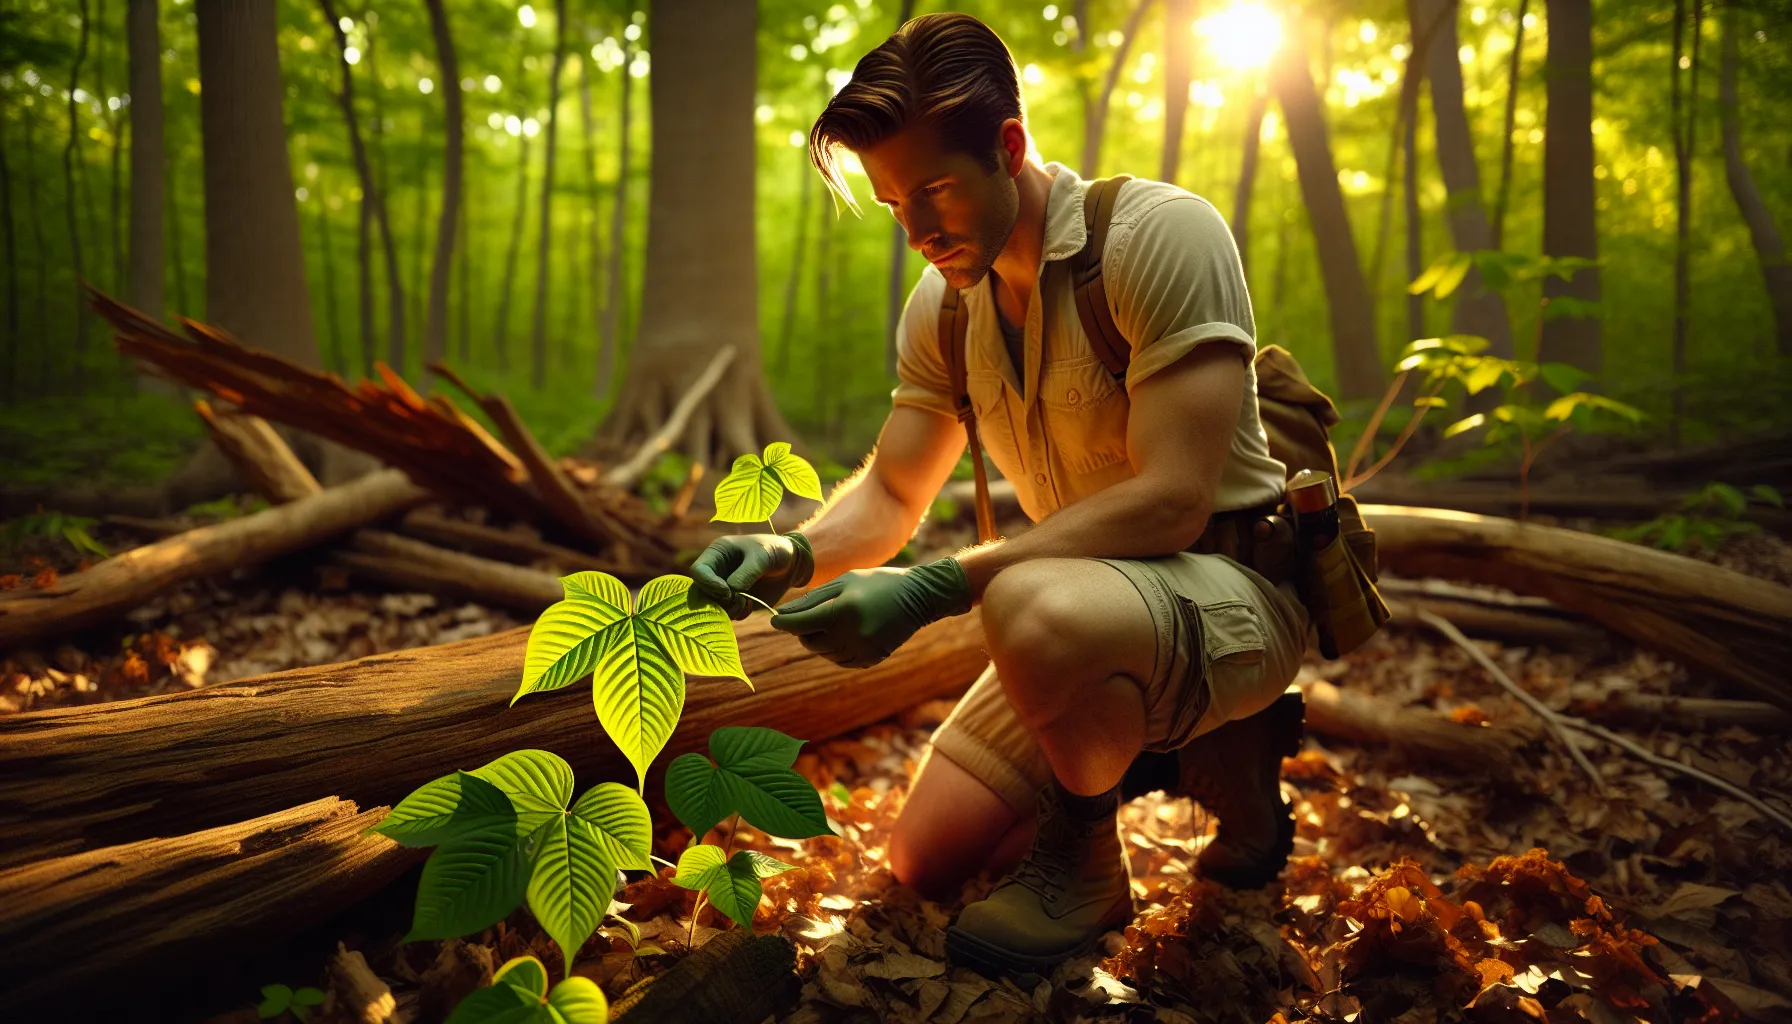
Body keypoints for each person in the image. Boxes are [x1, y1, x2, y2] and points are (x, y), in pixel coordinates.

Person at [689, 11, 1310, 977]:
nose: (917, 231)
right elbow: (894, 491)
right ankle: (1154, 744)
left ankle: (1095, 859)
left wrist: (938, 586)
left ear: (1009, 147)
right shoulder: (944, 304)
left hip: (1232, 592)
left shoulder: (1160, 236)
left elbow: (1174, 503)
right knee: (922, 857)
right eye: (894, 204)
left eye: (934, 188)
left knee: (1019, 599)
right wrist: (790, 553)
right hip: (1081, 612)